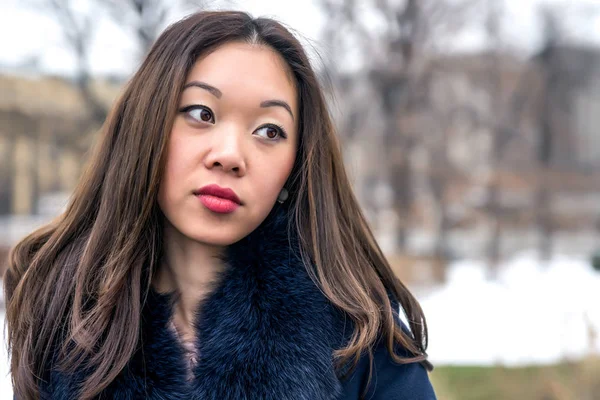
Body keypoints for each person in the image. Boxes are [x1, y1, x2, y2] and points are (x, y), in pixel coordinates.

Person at [4, 10, 437, 400]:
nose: (229, 155)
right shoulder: (61, 307)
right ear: (145, 128)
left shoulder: (358, 335)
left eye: (269, 131)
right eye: (201, 113)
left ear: (295, 166)